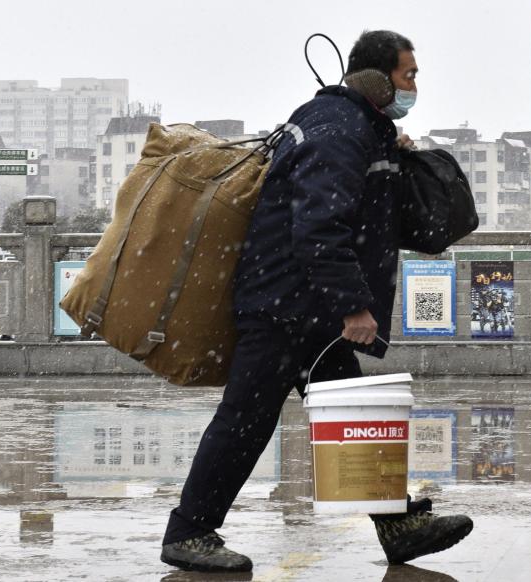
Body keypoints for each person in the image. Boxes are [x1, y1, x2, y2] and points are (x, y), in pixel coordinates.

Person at [159, 30, 473, 573]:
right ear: (376, 79)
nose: (413, 86)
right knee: (245, 421)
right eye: (408, 75)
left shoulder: (347, 124)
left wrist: (391, 149)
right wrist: (353, 305)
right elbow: (319, 228)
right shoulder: (339, 132)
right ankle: (188, 532)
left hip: (307, 309)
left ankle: (397, 525)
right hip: (284, 306)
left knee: (355, 416)